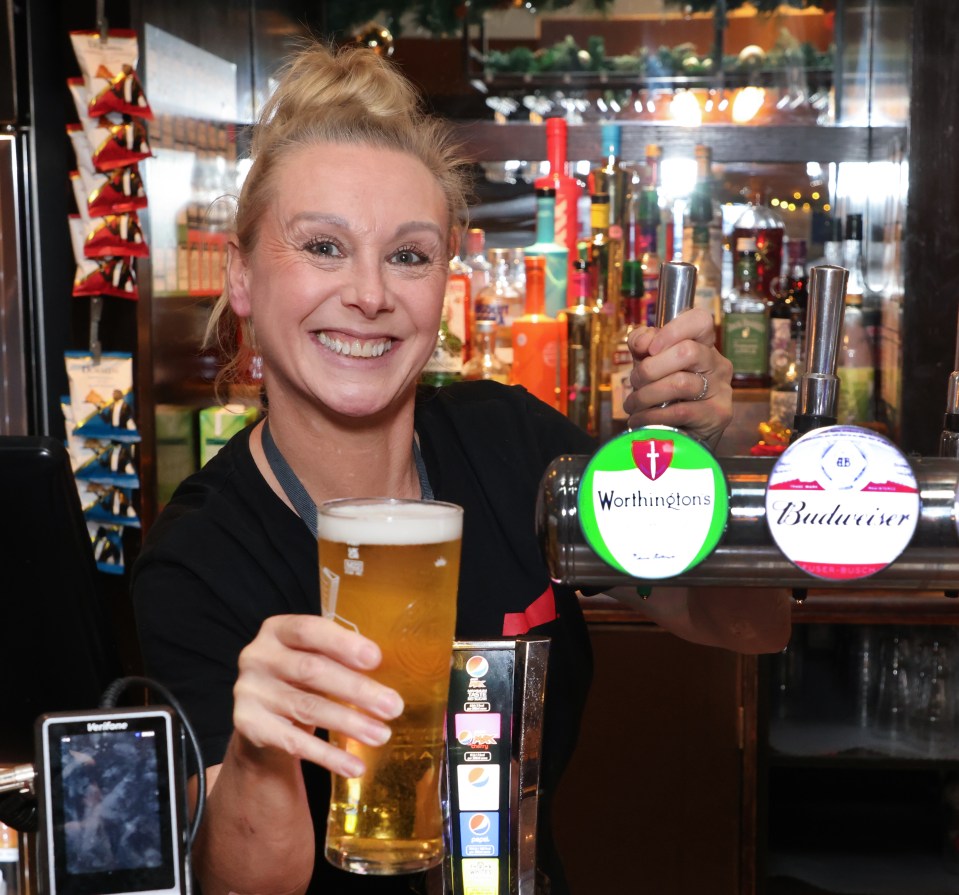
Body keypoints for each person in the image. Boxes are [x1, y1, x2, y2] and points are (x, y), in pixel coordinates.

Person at [131, 41, 791, 895]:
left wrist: (716, 452)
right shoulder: (201, 556)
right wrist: (259, 751)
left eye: (407, 255)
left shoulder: (511, 443)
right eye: (324, 247)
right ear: (243, 275)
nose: (369, 293)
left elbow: (744, 623)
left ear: (444, 279)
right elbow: (239, 886)